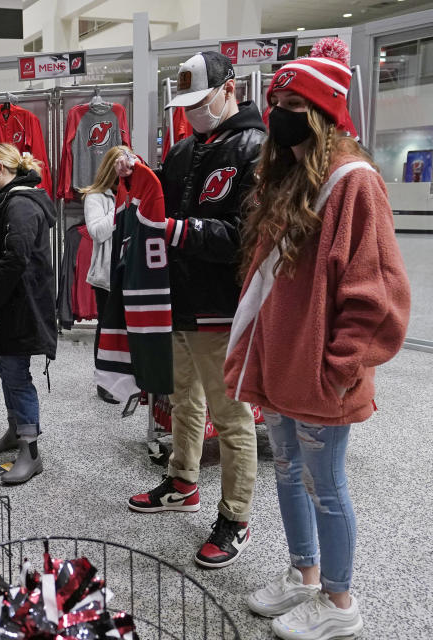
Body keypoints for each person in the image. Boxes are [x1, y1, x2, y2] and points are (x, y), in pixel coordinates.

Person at [225, 38, 410, 640]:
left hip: (322, 375)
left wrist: (339, 366)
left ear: (322, 111)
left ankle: (340, 600)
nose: (277, 113)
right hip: (281, 370)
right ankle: (304, 576)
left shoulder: (354, 182)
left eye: (290, 102)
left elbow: (376, 292)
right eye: (274, 100)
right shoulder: (285, 176)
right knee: (285, 472)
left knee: (324, 485)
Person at [126, 51, 266, 569]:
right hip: (180, 300)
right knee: (183, 400)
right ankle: (184, 481)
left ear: (229, 89)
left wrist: (181, 232)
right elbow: (157, 202)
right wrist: (133, 175)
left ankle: (236, 517)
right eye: (184, 105)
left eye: (200, 101)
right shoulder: (186, 147)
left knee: (231, 418)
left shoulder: (255, 147)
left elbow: (248, 236)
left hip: (222, 306)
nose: (191, 113)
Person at [0, 143, 57, 485]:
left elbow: (15, 258)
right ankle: (15, 429)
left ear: (0, 168)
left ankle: (30, 450)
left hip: (19, 303)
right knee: (8, 368)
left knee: (17, 374)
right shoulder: (6, 201)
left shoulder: (21, 204)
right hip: (10, 300)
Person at [80, 146, 132, 405]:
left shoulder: (136, 192)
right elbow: (97, 232)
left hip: (132, 268)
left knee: (129, 327)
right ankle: (104, 382)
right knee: (108, 327)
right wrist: (121, 208)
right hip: (106, 273)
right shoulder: (95, 196)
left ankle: (128, 379)